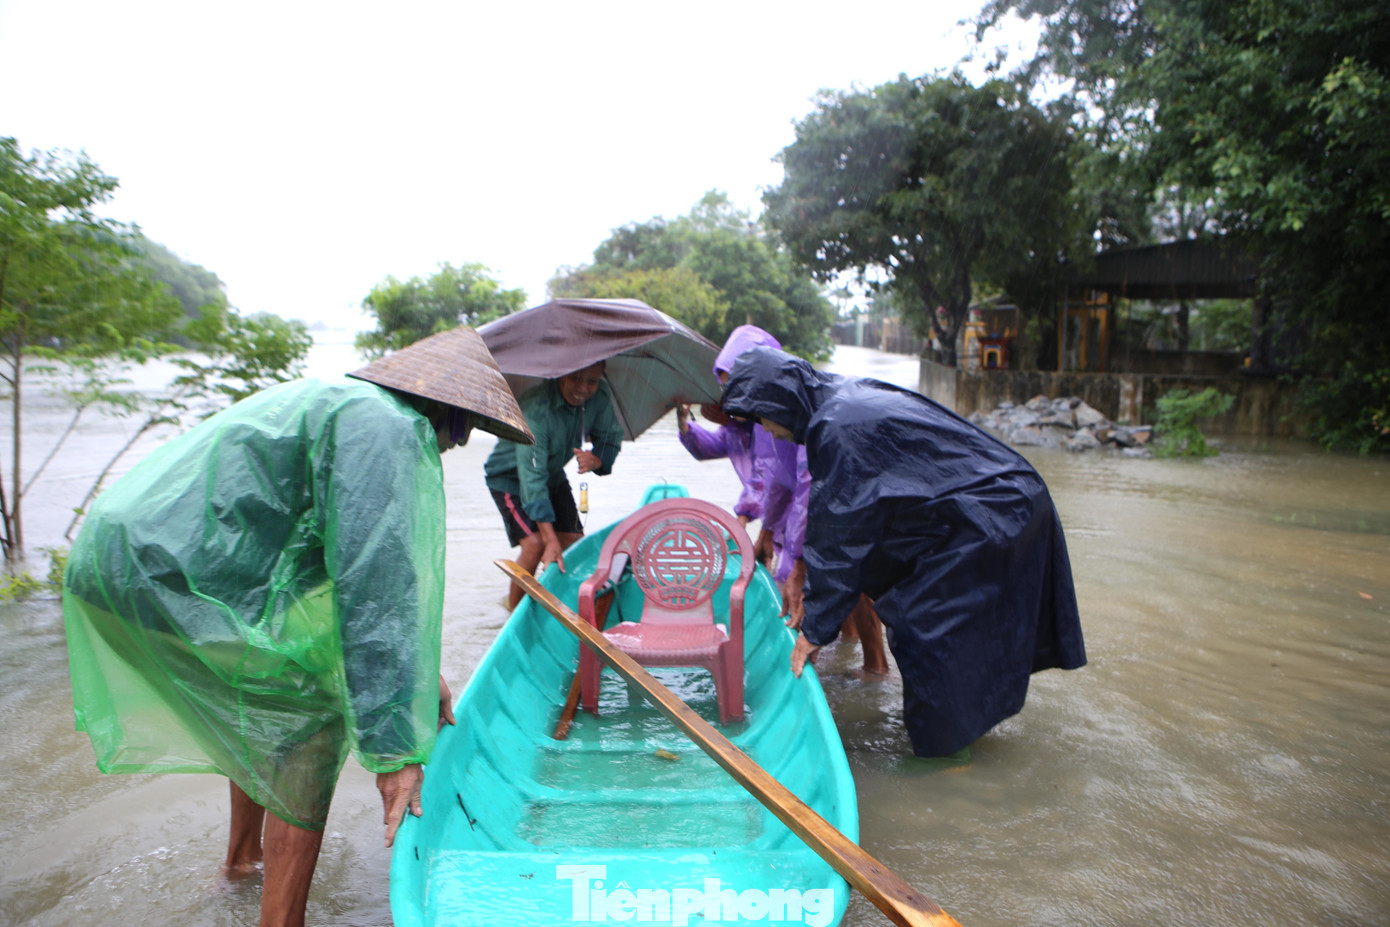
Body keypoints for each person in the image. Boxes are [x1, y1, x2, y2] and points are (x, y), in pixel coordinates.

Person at [61, 327, 533, 927]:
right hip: (163, 575)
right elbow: (374, 585)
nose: (452, 446)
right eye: (462, 431)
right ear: (445, 412)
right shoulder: (387, 430)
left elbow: (326, 590)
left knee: (265, 696)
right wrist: (393, 755)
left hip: (117, 561)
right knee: (309, 721)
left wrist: (418, 674)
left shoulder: (338, 404)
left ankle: (239, 864)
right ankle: (279, 920)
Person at [721, 347, 1086, 757]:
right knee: (927, 617)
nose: (768, 431)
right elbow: (840, 522)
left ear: (777, 401)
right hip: (989, 505)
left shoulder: (836, 426)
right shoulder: (835, 404)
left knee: (921, 626)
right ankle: (962, 735)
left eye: (763, 418)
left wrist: (815, 631)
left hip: (998, 509)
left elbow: (843, 534)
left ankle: (944, 757)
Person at [679, 326, 889, 675]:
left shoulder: (799, 408)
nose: (733, 395)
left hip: (845, 503)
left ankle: (874, 668)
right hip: (814, 510)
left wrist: (795, 558)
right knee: (837, 589)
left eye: (738, 383)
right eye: (728, 387)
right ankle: (853, 658)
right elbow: (776, 480)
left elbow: (808, 483)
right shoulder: (761, 421)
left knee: (853, 587)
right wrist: (768, 533)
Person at [485, 360, 624, 609]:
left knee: (574, 541)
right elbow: (532, 478)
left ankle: (567, 604)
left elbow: (610, 437)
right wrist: (550, 540)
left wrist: (598, 459)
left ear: (601, 378)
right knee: (536, 545)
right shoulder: (537, 410)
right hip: (510, 477)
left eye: (591, 381)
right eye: (576, 379)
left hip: (551, 473)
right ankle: (513, 615)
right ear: (562, 375)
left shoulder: (599, 396)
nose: (582, 388)